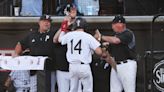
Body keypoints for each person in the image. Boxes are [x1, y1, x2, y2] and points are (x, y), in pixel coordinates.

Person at [58, 17, 102, 92]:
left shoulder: (70, 35)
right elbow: (99, 52)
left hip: (72, 66)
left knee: (73, 89)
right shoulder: (87, 36)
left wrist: (63, 28)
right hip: (84, 66)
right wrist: (97, 41)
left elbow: (59, 40)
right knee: (87, 89)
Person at [95, 15, 137, 92]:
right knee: (114, 90)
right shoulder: (115, 36)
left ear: (121, 24)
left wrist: (101, 36)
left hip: (127, 65)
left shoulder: (128, 33)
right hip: (116, 65)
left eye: (114, 24)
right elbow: (107, 53)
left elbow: (116, 41)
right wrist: (101, 46)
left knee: (129, 90)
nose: (112, 26)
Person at [14, 14, 56, 92]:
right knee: (34, 89)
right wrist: (16, 53)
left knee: (50, 89)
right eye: (44, 21)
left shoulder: (53, 33)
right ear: (39, 22)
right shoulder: (32, 34)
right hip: (35, 69)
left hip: (49, 68)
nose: (46, 23)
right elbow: (20, 44)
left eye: (48, 22)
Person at [53, 4, 82, 92]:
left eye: (74, 10)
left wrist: (73, 24)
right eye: (70, 11)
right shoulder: (62, 27)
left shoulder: (80, 26)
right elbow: (55, 40)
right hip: (62, 66)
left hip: (76, 65)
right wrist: (64, 25)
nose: (72, 12)